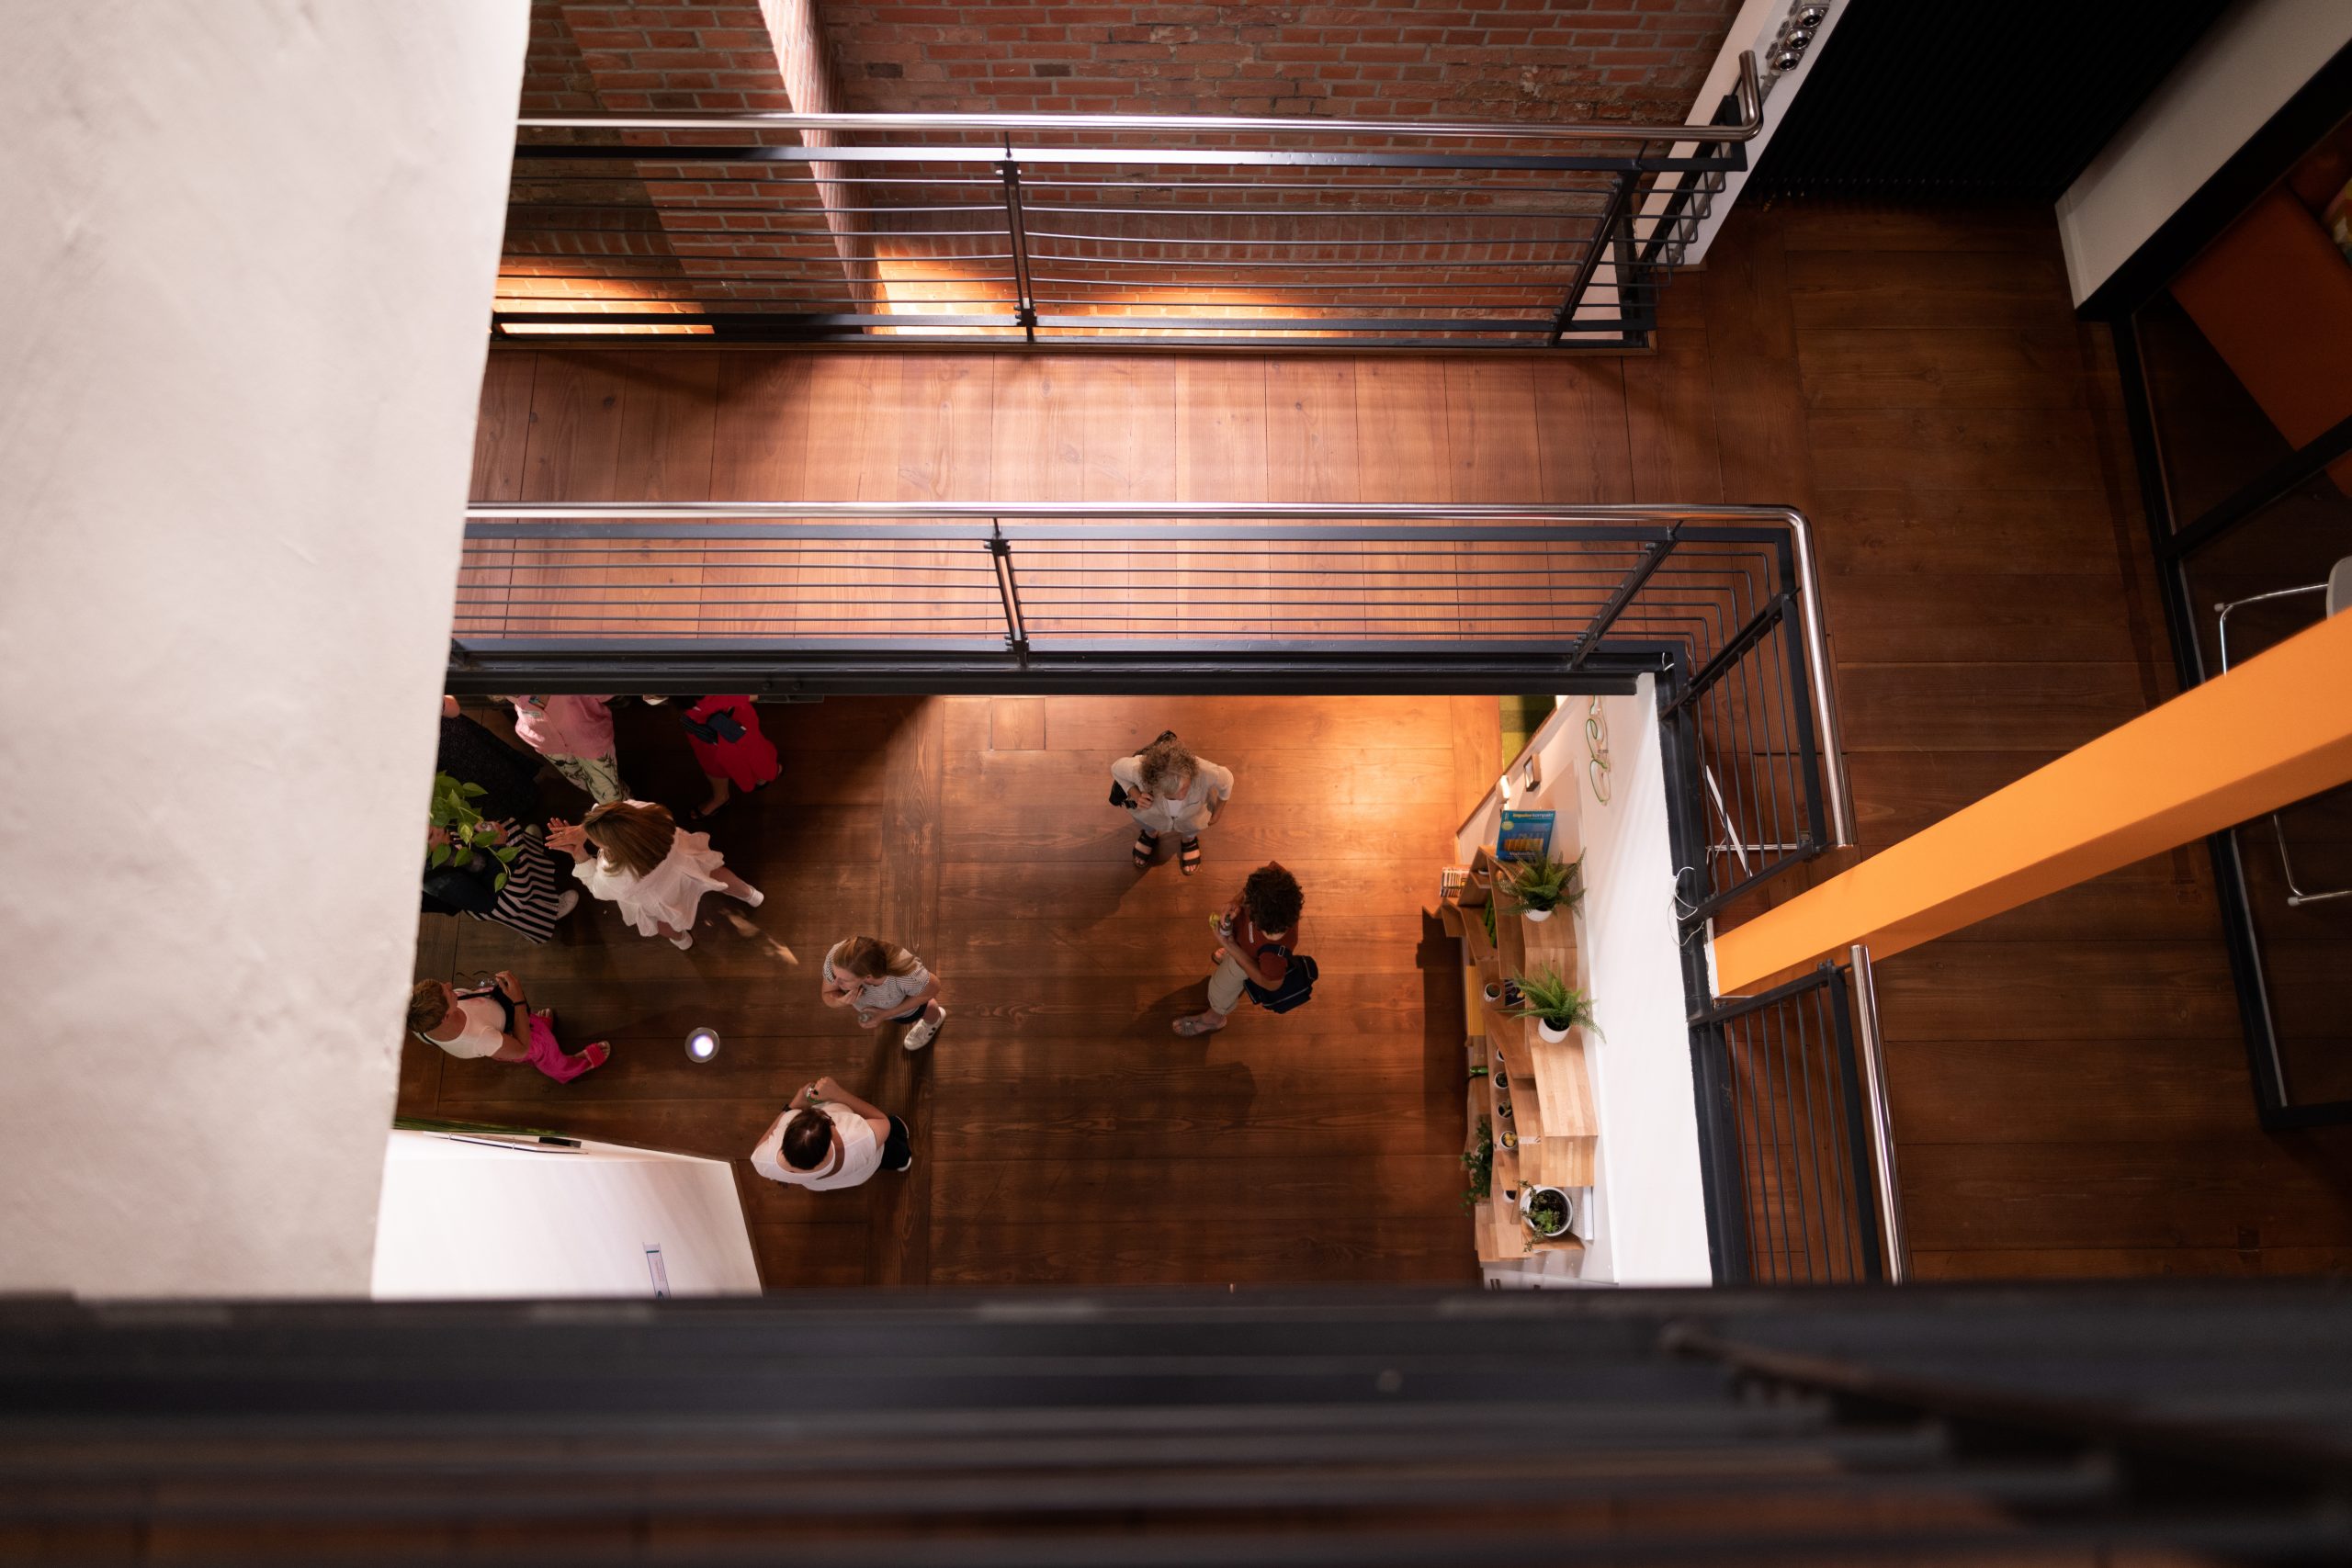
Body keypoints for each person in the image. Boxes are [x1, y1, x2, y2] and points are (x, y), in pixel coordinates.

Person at [547, 799, 764, 950]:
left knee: (661, 923)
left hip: (659, 898)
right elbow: (624, 808)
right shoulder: (654, 815)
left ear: (616, 847)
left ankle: (682, 940)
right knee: (715, 873)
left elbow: (598, 890)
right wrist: (591, 826)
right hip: (686, 866)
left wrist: (579, 854)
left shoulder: (616, 876)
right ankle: (749, 894)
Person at [1175, 861, 1304, 1037]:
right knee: (1231, 955)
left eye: (1247, 904)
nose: (1245, 903)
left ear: (1257, 921)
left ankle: (1214, 1018)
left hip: (1244, 961)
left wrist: (1230, 946)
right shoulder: (1278, 886)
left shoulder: (1274, 955)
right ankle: (1229, 957)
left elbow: (1271, 983)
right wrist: (1236, 901)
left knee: (1219, 989)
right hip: (1241, 945)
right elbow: (1271, 871)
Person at [405, 971, 607, 1082]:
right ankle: (569, 1070)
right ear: (445, 1017)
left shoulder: (421, 1026)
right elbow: (521, 1049)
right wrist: (518, 1000)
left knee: (538, 1032)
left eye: (444, 986)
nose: (450, 985)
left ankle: (538, 1027)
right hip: (514, 1037)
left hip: (506, 1024)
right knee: (545, 1053)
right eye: (449, 993)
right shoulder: (479, 1038)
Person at [419, 817, 579, 945]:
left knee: (510, 837)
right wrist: (498, 847)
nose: (433, 827)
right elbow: (486, 902)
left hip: (478, 856)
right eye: (431, 836)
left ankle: (534, 853)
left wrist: (474, 823)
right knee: (519, 890)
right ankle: (549, 911)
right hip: (491, 891)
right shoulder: (436, 880)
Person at [749, 1075, 913, 1190]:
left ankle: (902, 1162)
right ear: (829, 1136)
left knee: (883, 1151)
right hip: (871, 1155)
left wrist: (792, 1107)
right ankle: (904, 1158)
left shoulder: (764, 1162)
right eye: (828, 1119)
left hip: (846, 1177)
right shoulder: (856, 1138)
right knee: (893, 1146)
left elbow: (758, 1149)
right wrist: (838, 1093)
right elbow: (882, 1121)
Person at [1111, 730, 1234, 876]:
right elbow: (1116, 769)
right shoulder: (1138, 769)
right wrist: (1135, 794)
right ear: (1152, 778)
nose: (1180, 797)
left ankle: (1188, 838)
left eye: (1185, 788)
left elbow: (1227, 780)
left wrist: (1218, 812)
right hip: (1150, 815)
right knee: (1147, 823)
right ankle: (1150, 833)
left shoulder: (1206, 771)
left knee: (1192, 827)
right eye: (1169, 794)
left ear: (1191, 772)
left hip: (1193, 816)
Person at [820, 935, 946, 1052]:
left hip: (906, 1009)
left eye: (845, 980)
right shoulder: (837, 958)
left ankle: (934, 1020)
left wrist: (885, 1014)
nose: (835, 982)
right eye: (835, 975)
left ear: (868, 977)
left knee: (928, 1007)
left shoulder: (908, 977)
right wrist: (840, 1001)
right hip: (889, 1005)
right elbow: (827, 994)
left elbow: (933, 988)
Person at [500, 694, 628, 805]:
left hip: (588, 740)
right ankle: (622, 798)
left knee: (609, 796)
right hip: (548, 743)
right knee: (584, 783)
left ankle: (624, 814)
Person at [436, 694, 544, 826]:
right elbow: (453, 709)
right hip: (458, 743)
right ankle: (525, 802)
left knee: (480, 790)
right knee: (495, 773)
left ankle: (513, 816)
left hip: (453, 753)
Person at [673, 694, 780, 821]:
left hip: (704, 728)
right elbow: (757, 694)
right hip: (730, 726)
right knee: (751, 755)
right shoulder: (713, 695)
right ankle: (763, 776)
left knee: (715, 765)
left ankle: (721, 797)